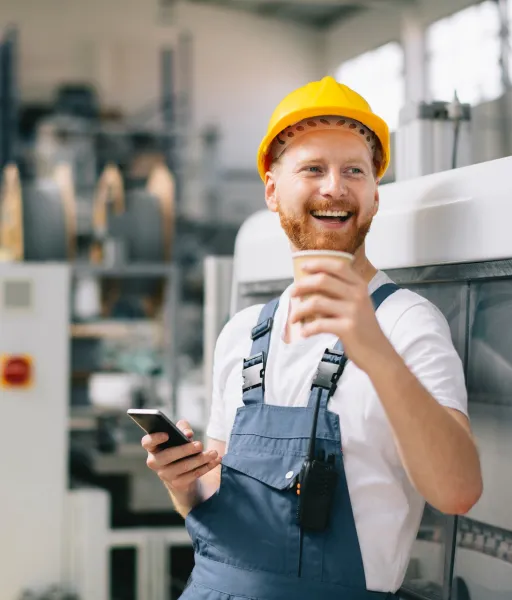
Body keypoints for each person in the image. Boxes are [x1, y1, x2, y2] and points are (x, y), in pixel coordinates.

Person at [142, 76, 483, 599]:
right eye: (313, 169)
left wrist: (372, 349)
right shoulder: (242, 334)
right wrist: (181, 481)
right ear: (273, 191)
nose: (334, 187)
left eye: (354, 170)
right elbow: (216, 499)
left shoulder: (407, 324)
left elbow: (457, 492)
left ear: (373, 194)